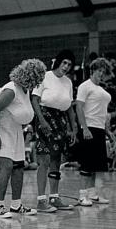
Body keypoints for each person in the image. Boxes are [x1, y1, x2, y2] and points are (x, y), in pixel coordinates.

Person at [0, 59, 46, 218]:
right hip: (1, 132)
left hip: (15, 133)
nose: (39, 82)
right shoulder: (11, 89)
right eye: (38, 78)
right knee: (7, 167)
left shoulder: (26, 90)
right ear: (30, 76)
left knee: (19, 168)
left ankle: (16, 205)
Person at [32, 49, 78, 212]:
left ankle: (54, 197)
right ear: (58, 61)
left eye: (70, 64)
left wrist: (73, 128)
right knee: (44, 160)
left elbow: (70, 108)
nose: (66, 66)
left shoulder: (68, 82)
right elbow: (35, 100)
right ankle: (41, 200)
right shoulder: (44, 76)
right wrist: (42, 121)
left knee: (56, 160)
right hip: (44, 116)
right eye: (64, 62)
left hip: (61, 120)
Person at [75, 58, 114, 206]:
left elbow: (103, 113)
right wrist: (84, 128)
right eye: (99, 71)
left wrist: (107, 131)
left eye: (103, 72)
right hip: (88, 128)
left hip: (99, 129)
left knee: (96, 165)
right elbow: (79, 108)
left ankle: (93, 194)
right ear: (92, 71)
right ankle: (82, 195)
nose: (101, 74)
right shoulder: (85, 86)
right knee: (87, 164)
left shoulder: (101, 90)